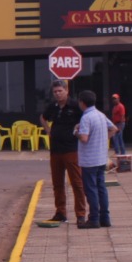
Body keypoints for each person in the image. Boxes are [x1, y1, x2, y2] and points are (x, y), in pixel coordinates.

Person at [39, 80, 87, 225]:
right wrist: (48, 131)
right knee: (57, 183)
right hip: (55, 150)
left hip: (71, 149)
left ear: (66, 90)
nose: (58, 94)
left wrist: (80, 129)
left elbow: (86, 118)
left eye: (60, 91)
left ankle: (80, 214)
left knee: (77, 183)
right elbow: (43, 117)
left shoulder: (75, 106)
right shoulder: (52, 107)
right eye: (55, 92)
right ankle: (60, 212)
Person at [75, 90, 119, 230]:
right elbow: (114, 128)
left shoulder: (86, 118)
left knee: (91, 189)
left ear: (82, 102)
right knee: (101, 188)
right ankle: (105, 218)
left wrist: (76, 131)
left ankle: (94, 218)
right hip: (101, 158)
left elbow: (84, 138)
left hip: (89, 160)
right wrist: (102, 138)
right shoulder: (100, 115)